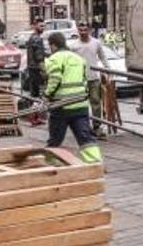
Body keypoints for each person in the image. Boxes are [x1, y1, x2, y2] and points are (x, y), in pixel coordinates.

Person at [44, 33, 102, 164]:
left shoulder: (54, 59)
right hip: (80, 104)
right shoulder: (78, 58)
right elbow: (84, 79)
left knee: (55, 138)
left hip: (61, 106)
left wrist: (47, 95)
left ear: (53, 45)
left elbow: (55, 79)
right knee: (85, 137)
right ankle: (95, 162)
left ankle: (50, 164)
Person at [71, 21, 109, 139]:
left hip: (93, 78)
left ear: (90, 30)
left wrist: (108, 70)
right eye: (80, 30)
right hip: (79, 79)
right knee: (81, 104)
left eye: (85, 30)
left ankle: (97, 127)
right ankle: (84, 127)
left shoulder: (96, 42)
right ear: (78, 30)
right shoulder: (74, 46)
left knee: (96, 103)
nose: (83, 32)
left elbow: (103, 57)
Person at [24, 17, 47, 125]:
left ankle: (35, 117)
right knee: (37, 95)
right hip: (36, 70)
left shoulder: (31, 37)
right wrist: (44, 71)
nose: (42, 27)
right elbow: (39, 58)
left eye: (43, 25)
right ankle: (33, 117)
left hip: (31, 69)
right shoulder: (37, 39)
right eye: (40, 25)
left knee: (34, 95)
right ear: (34, 26)